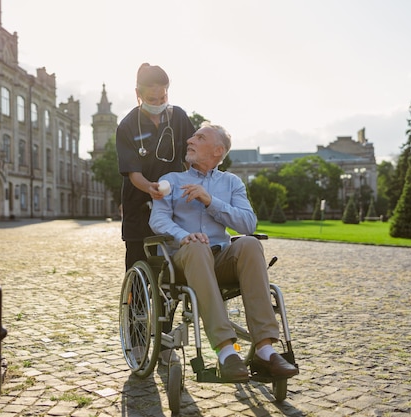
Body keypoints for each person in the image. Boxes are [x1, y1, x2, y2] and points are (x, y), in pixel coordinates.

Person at [149, 122, 299, 382]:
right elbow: (158, 220)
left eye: (199, 137)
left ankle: (264, 348)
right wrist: (185, 236)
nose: (189, 141)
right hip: (185, 260)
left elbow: (248, 224)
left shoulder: (231, 183)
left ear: (217, 150)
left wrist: (210, 201)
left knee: (251, 243)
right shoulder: (171, 181)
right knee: (197, 246)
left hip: (221, 259)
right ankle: (227, 351)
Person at [116, 63, 196, 366]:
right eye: (152, 95)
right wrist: (149, 187)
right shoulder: (127, 125)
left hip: (173, 212)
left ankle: (163, 341)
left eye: (163, 94)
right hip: (139, 212)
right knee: (139, 282)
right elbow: (132, 172)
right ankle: (137, 341)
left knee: (169, 280)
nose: (159, 100)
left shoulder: (179, 118)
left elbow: (193, 156)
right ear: (138, 94)